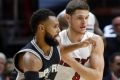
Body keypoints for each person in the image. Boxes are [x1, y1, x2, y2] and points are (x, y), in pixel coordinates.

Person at [13, 8, 95, 80]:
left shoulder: (55, 42)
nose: (59, 30)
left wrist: (81, 44)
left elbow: (62, 50)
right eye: (55, 26)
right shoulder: (31, 58)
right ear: (41, 28)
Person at [55, 0, 104, 80]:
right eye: (79, 18)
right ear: (67, 18)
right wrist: (80, 45)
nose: (84, 22)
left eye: (86, 18)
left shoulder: (96, 40)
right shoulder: (57, 38)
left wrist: (70, 60)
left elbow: (97, 77)